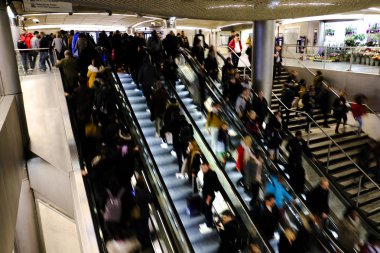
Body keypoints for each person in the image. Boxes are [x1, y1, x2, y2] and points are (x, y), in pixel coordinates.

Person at [200, 160, 219, 231]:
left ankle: (209, 224)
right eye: (202, 168)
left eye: (204, 168)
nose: (203, 169)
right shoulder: (207, 173)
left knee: (207, 210)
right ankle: (208, 223)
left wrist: (208, 199)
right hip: (206, 194)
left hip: (209, 196)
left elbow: (211, 188)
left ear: (208, 166)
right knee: (206, 209)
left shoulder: (211, 175)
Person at [133, 176, 153, 248]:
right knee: (145, 227)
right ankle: (147, 243)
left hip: (137, 214)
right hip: (144, 213)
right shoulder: (144, 190)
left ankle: (142, 243)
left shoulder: (134, 191)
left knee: (140, 229)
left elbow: (133, 199)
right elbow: (151, 198)